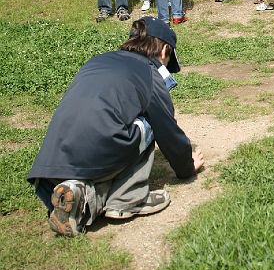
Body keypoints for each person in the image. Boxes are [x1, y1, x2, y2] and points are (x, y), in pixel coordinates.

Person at [28, 17, 204, 237]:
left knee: (118, 128)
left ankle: (78, 195)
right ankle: (126, 199)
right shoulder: (150, 73)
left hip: (49, 166)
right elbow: (167, 130)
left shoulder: (97, 60)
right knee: (148, 122)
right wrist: (187, 166)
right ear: (164, 50)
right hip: (101, 148)